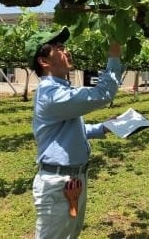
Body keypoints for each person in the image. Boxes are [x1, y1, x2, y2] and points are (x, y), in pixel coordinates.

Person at [25, 26, 123, 238]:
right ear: (44, 61)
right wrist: (114, 56)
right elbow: (103, 93)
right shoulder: (51, 94)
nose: (67, 51)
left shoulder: (60, 91)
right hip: (59, 185)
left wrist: (102, 127)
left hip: (72, 181)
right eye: (59, 48)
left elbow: (67, 132)